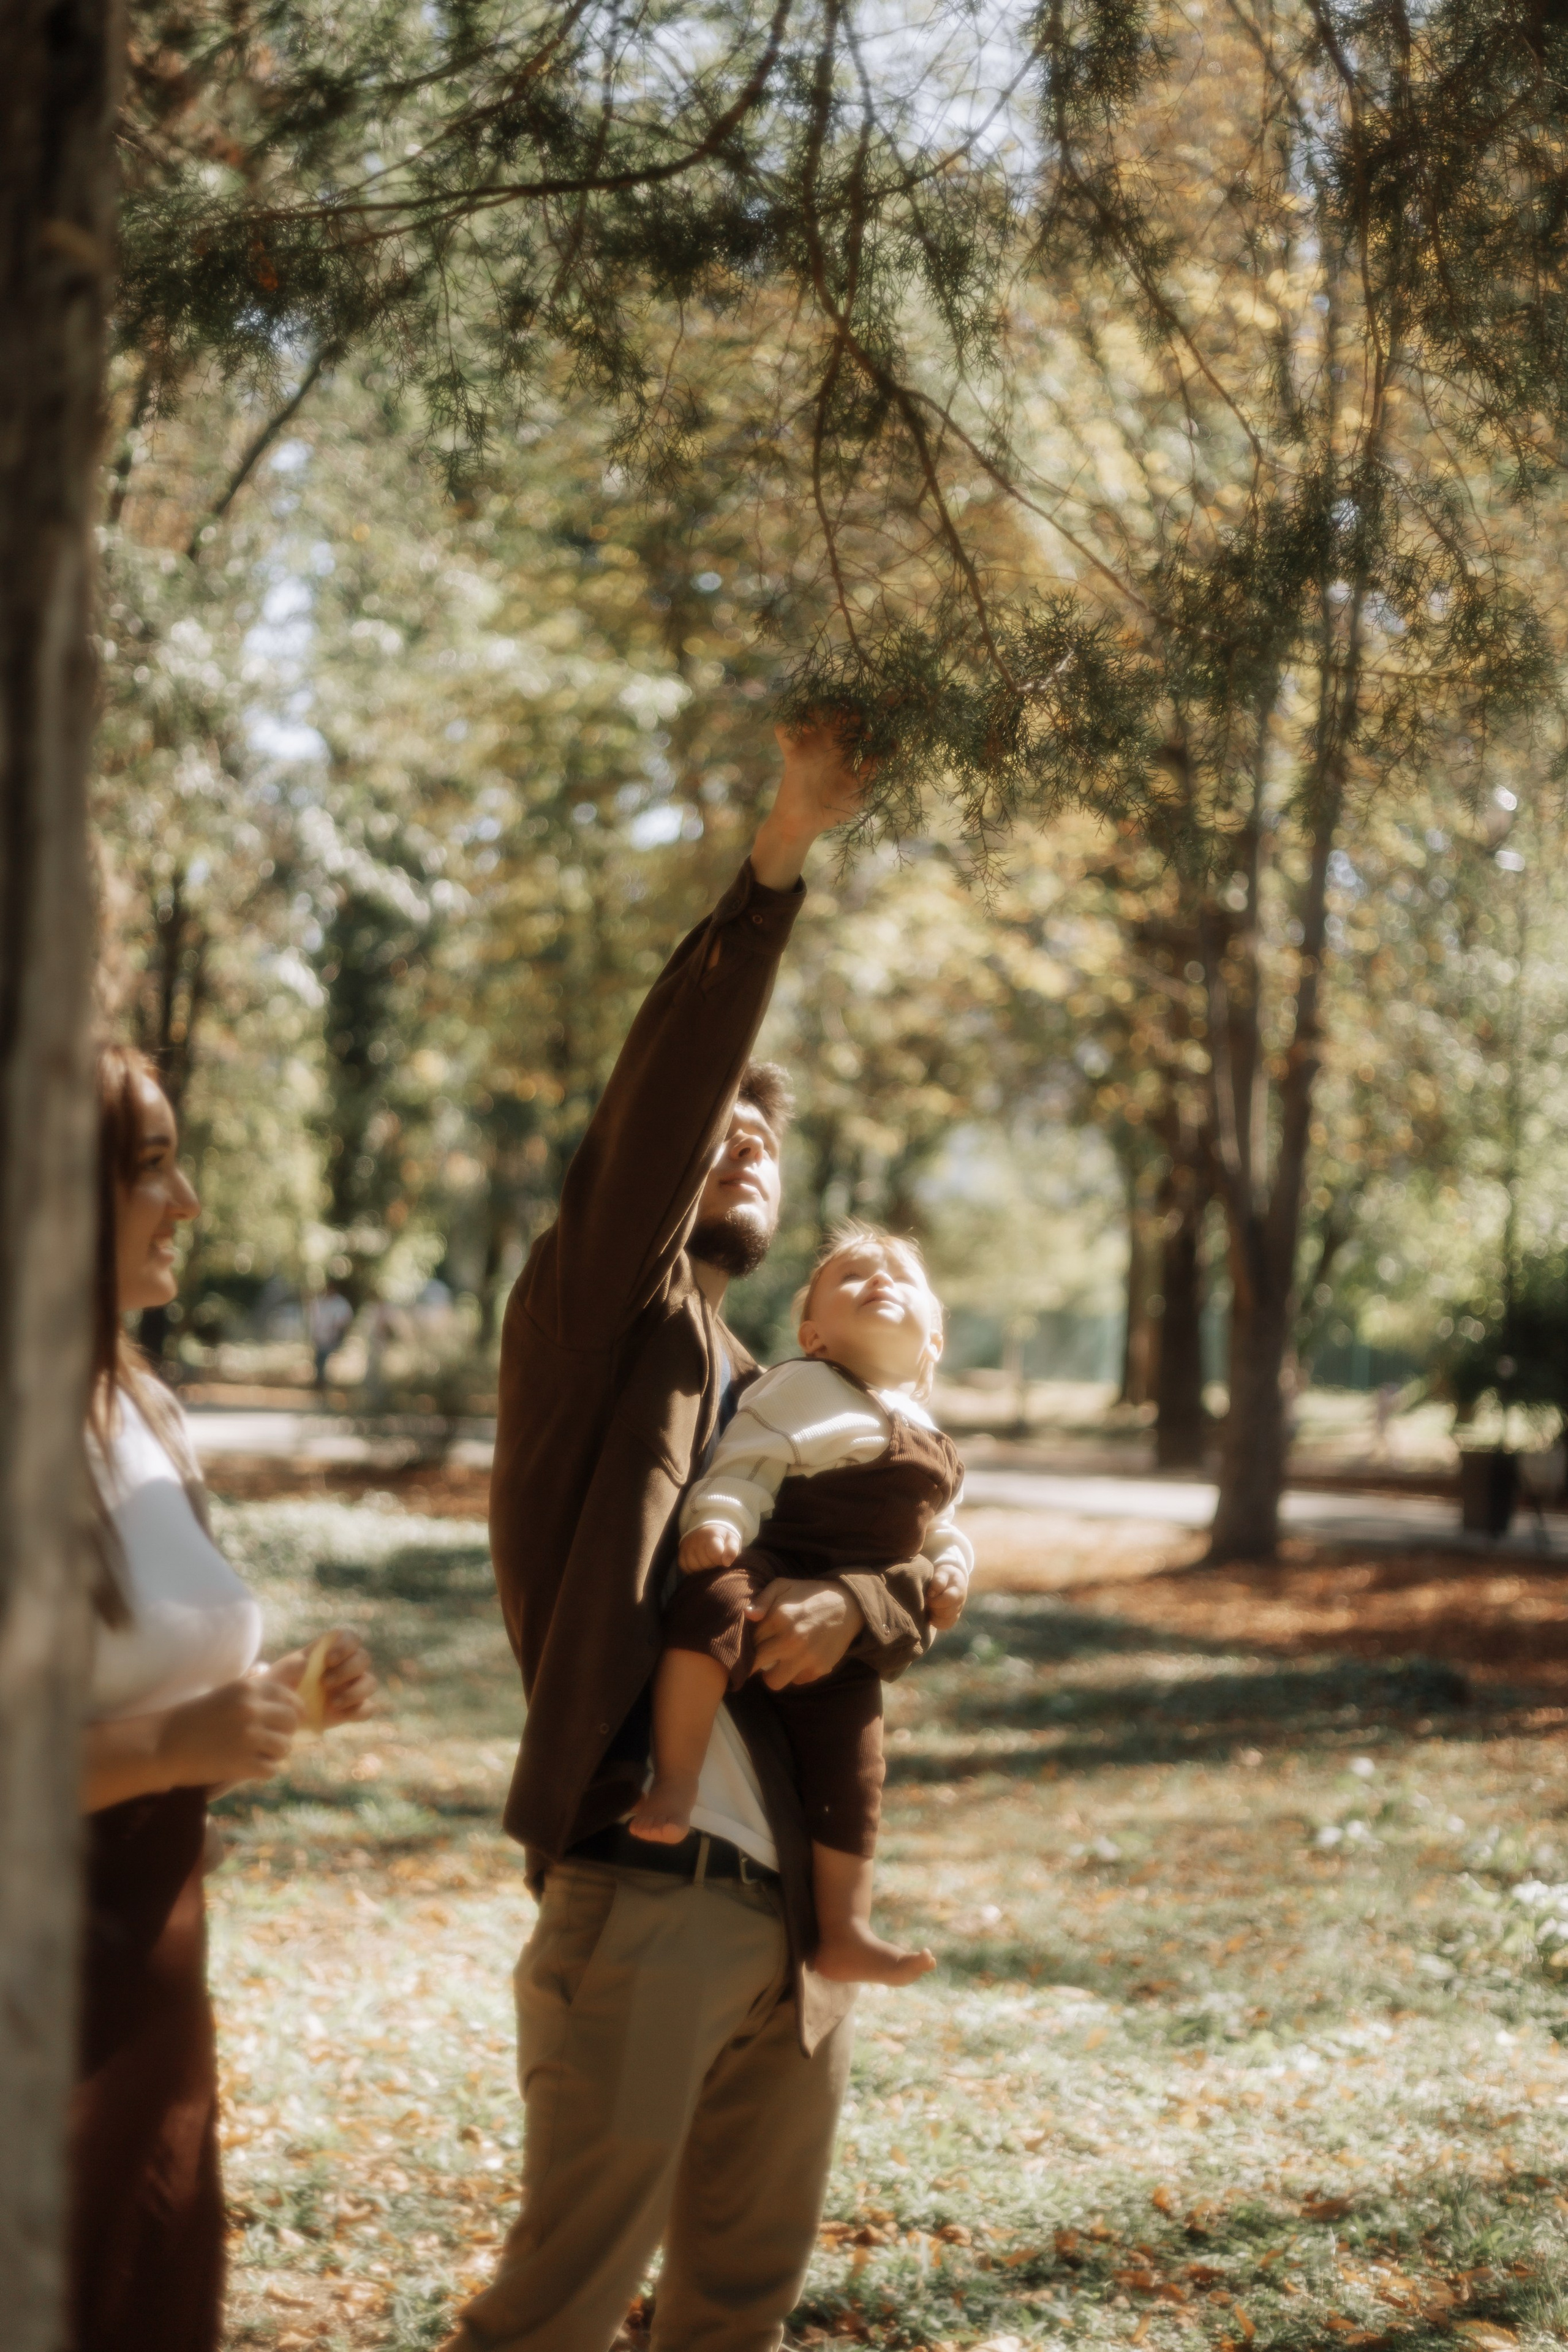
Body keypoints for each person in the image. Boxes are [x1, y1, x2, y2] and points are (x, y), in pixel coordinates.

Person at [440, 725, 953, 2352]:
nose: (742, 1138)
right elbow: (660, 1110)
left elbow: (926, 1554)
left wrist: (861, 1611)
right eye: (716, 1122)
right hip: (646, 1889)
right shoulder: (604, 1317)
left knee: (734, 2312)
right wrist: (778, 862)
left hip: (796, 1935)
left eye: (767, 1133)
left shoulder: (792, 1394)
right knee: (558, 2312)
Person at [72, 1044, 376, 2352]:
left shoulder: (138, 1407)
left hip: (154, 1968)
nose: (188, 1202)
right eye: (151, 1168)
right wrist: (166, 1744)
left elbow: (136, 1675)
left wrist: (274, 1701)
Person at [631, 1222, 973, 1986]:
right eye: (851, 1276)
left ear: (934, 1340)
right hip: (780, 1557)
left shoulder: (937, 1442)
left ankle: (846, 1928)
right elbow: (746, 1463)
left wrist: (952, 1571)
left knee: (856, 1765)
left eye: (899, 1277)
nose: (878, 1280)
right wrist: (719, 1519)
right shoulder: (800, 1387)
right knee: (711, 1607)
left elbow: (942, 1532)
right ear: (813, 1335)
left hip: (856, 1623)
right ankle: (678, 1774)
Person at [307, 1281, 353, 1385]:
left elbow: (345, 1321)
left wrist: (339, 1333)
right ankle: (320, 1380)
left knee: (326, 1359)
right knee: (319, 1359)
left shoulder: (341, 1303)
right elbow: (314, 1319)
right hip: (320, 1337)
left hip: (333, 1337)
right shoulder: (320, 1302)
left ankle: (324, 1381)